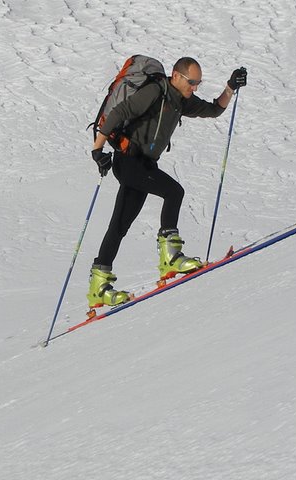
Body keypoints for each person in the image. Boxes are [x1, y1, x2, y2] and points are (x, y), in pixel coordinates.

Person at [87, 58, 248, 310]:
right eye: (191, 82)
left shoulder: (181, 100)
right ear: (176, 76)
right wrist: (97, 151)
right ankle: (170, 257)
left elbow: (214, 110)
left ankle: (99, 286)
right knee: (174, 192)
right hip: (128, 161)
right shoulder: (156, 91)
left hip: (144, 166)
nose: (195, 87)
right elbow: (120, 112)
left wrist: (230, 88)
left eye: (198, 82)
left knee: (119, 225)